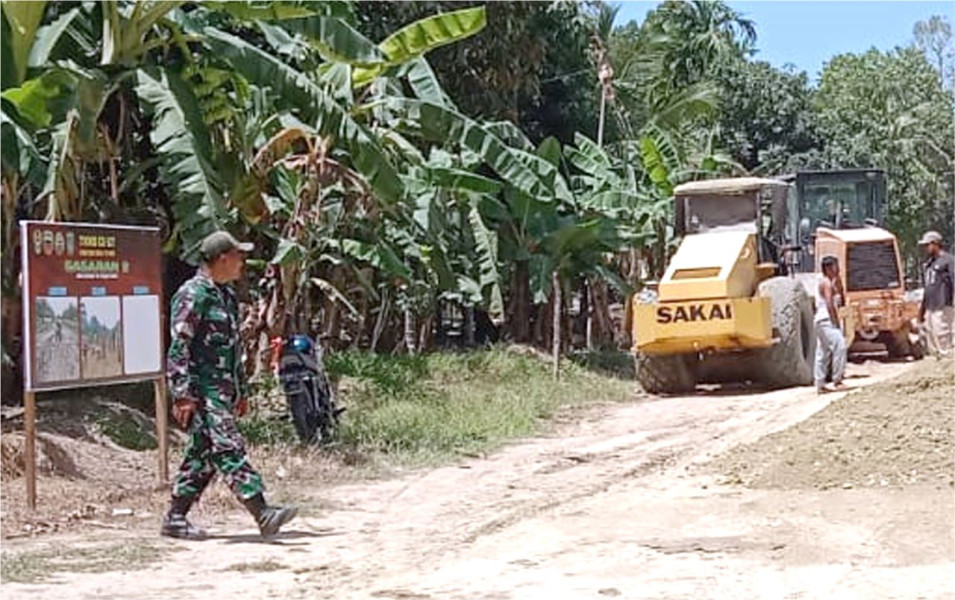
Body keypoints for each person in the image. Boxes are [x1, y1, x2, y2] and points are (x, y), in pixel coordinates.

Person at [161, 231, 297, 540]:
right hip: (201, 392)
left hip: (221, 391)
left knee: (203, 456)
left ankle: (175, 518)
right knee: (228, 448)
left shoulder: (224, 294)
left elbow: (233, 349)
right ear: (222, 258)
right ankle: (262, 512)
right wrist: (182, 394)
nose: (242, 263)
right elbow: (178, 347)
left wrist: (241, 390)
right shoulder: (193, 294)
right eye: (238, 256)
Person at [917, 231, 954, 358]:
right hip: (930, 307)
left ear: (935, 244)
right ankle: (937, 363)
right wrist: (921, 311)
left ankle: (948, 361)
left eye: (927, 245)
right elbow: (928, 288)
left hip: (943, 304)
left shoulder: (948, 261)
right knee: (931, 335)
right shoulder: (929, 264)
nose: (926, 248)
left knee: (942, 334)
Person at [815, 255, 848, 394]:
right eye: (836, 266)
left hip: (821, 321)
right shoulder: (826, 283)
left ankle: (820, 383)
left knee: (823, 352)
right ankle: (837, 380)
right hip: (826, 320)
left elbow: (842, 298)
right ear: (828, 268)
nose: (838, 269)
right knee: (840, 346)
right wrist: (835, 321)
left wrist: (839, 280)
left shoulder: (831, 282)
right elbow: (829, 303)